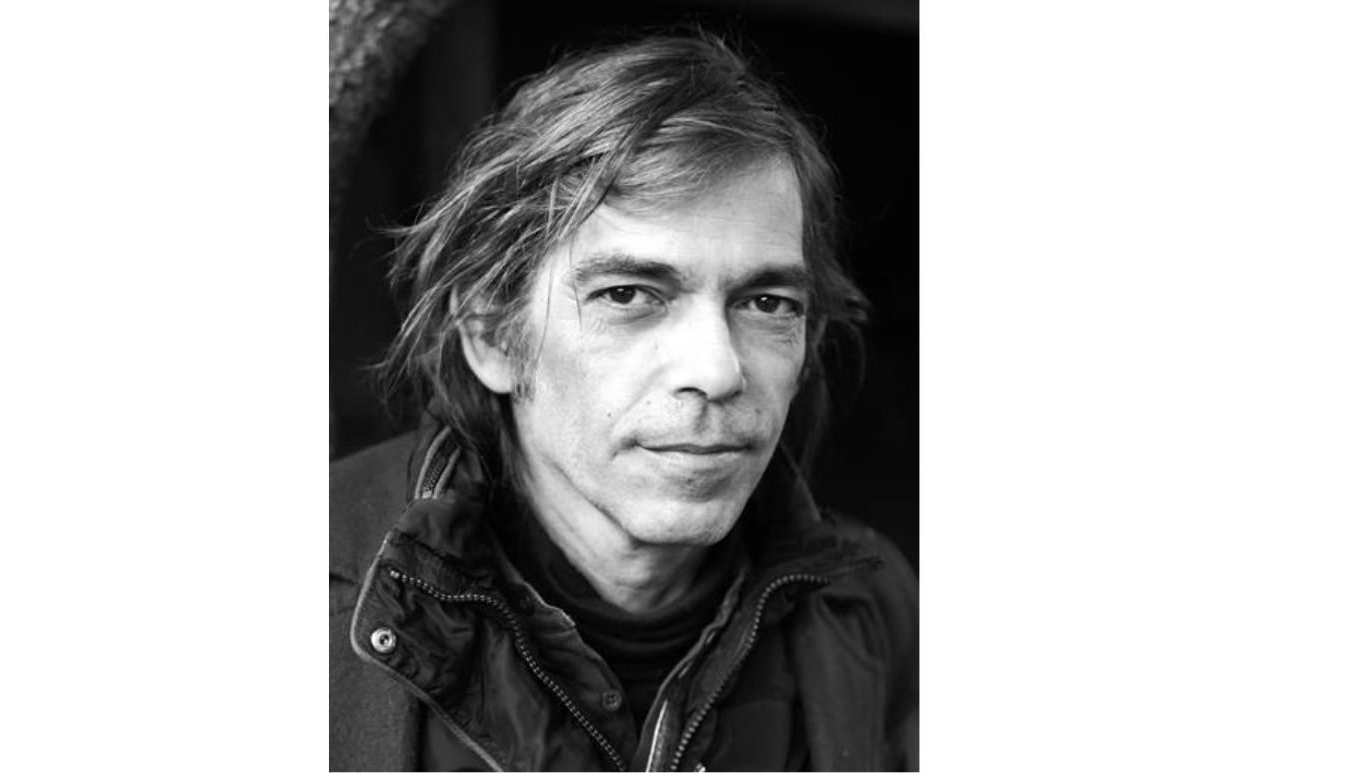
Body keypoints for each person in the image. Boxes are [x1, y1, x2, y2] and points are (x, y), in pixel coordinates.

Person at [329, 32, 918, 771]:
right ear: (493, 335)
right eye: (629, 294)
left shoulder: (875, 604)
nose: (717, 370)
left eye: (767, 303)